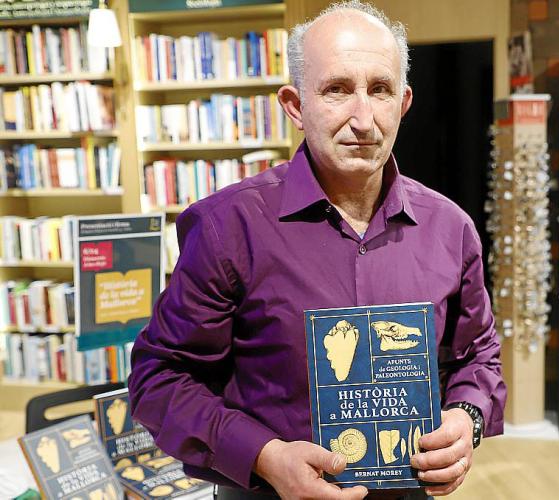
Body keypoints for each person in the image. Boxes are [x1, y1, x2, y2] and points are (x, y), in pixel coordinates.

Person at [128, 1, 506, 499]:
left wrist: (467, 418)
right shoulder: (228, 227)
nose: (364, 120)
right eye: (337, 90)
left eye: (380, 89)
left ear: (403, 102)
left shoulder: (450, 229)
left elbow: (477, 355)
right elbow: (160, 378)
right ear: (294, 105)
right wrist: (263, 455)